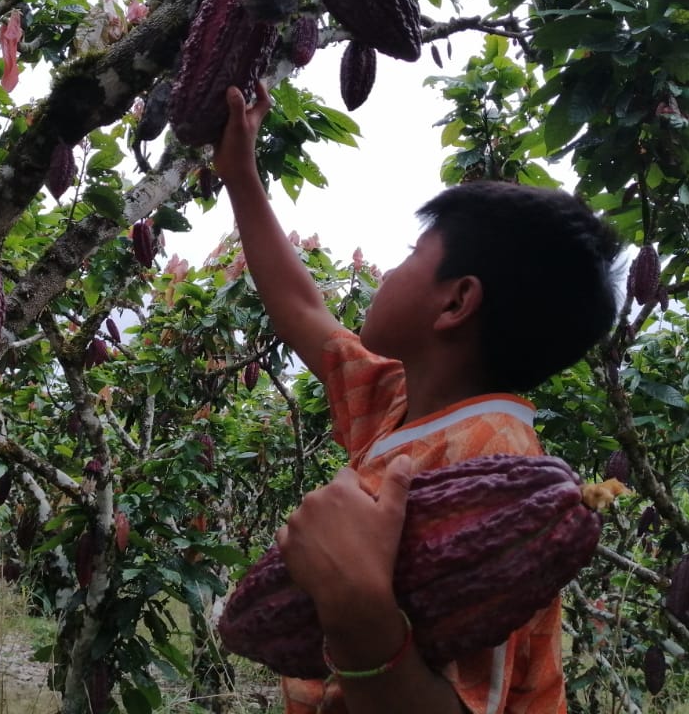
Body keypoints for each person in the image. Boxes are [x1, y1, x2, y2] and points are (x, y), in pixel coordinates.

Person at [212, 83, 621, 714]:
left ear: (456, 302)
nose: (389, 273)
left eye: (409, 256)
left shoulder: (496, 461)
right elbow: (302, 309)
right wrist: (240, 175)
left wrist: (354, 606)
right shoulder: (400, 401)